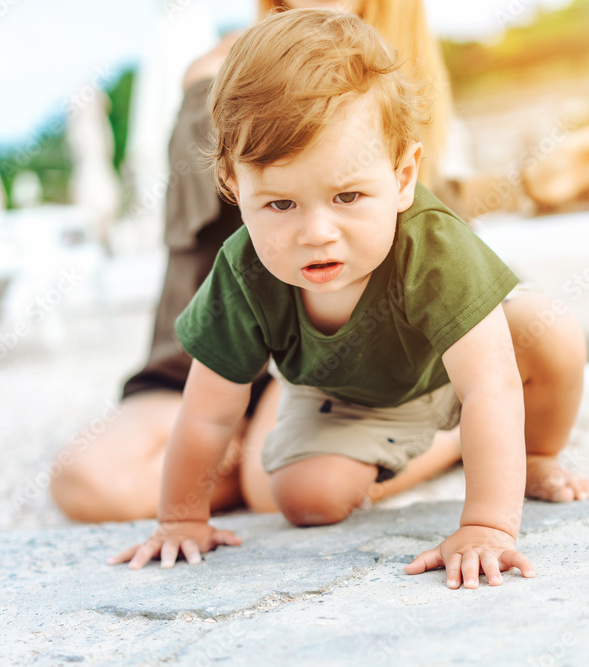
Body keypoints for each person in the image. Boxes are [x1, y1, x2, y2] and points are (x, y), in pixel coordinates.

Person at [107, 9, 589, 588]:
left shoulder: (433, 244)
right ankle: (452, 440)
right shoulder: (243, 272)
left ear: (403, 176)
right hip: (348, 395)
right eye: (280, 204)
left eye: (347, 197)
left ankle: (532, 454)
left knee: (549, 329)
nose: (317, 233)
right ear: (234, 187)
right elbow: (208, 412)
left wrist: (487, 526)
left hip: (458, 364)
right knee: (304, 500)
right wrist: (181, 518)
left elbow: (490, 385)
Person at [50, 0, 462, 522]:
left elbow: (436, 229)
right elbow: (196, 239)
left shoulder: (395, 73)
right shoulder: (221, 73)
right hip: (230, 338)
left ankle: (451, 431)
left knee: (278, 490)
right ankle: (261, 445)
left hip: (331, 346)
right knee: (92, 485)